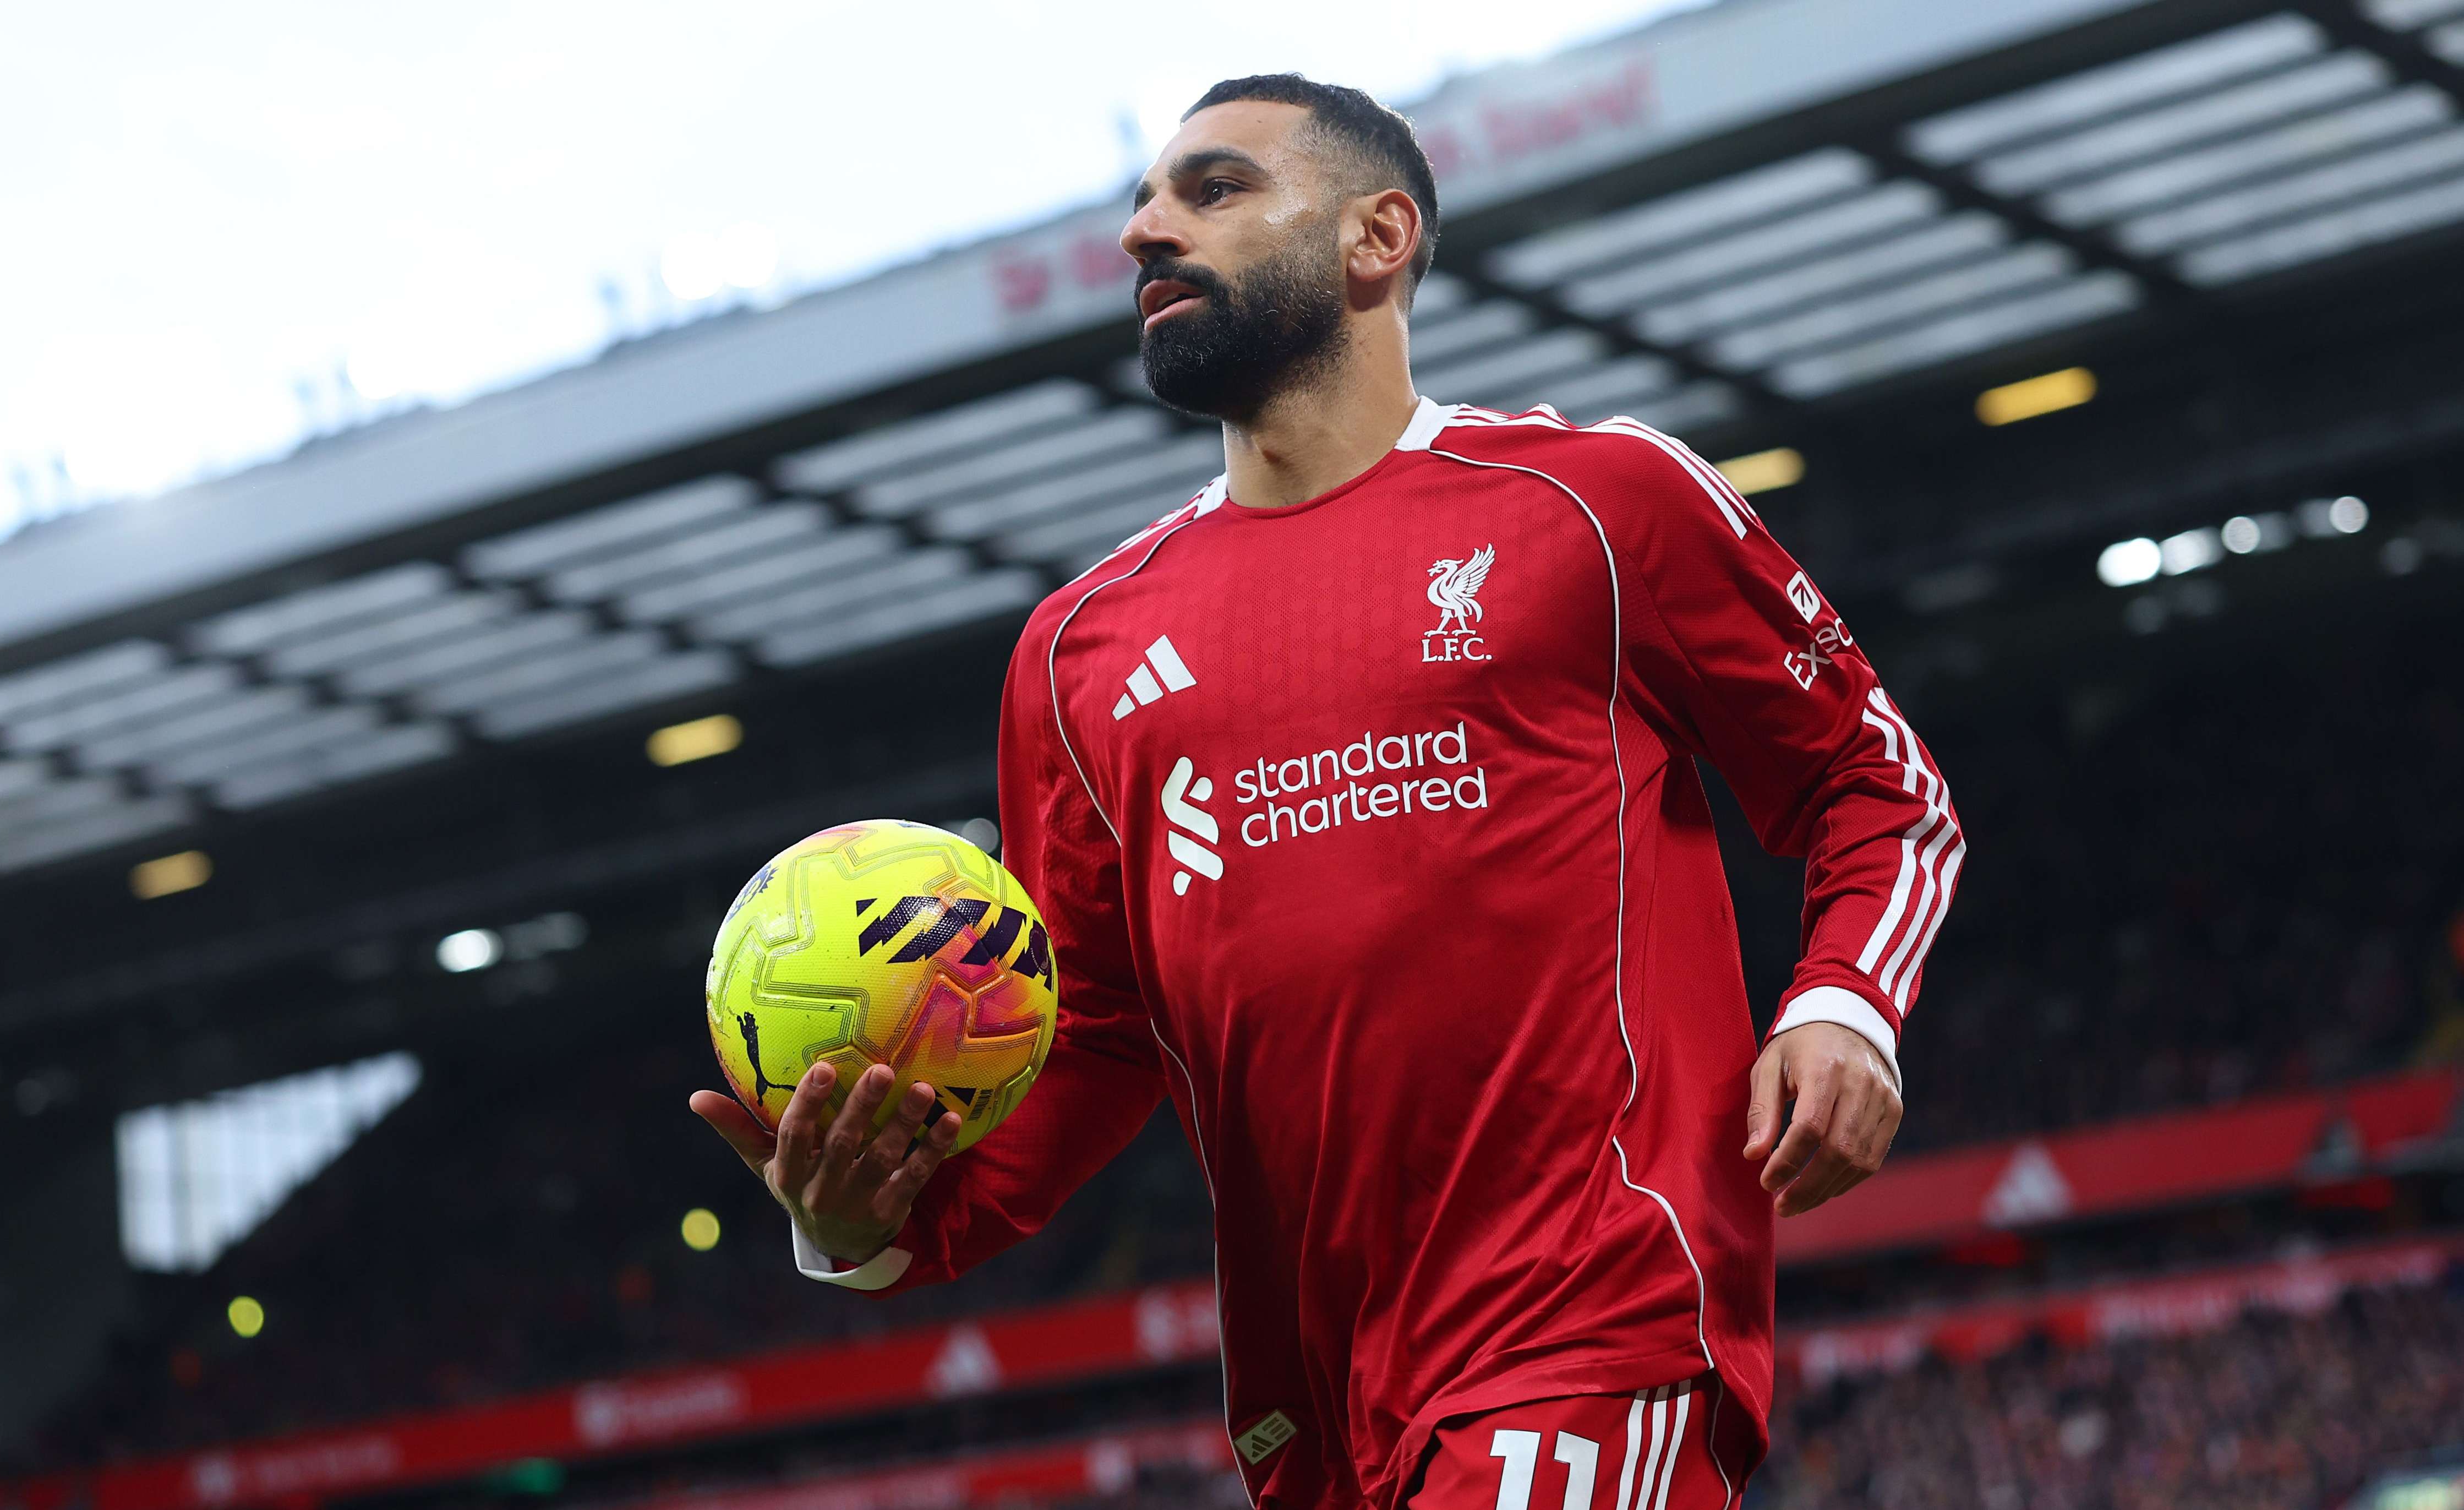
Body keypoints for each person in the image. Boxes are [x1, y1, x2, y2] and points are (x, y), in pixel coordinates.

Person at [693, 74, 1963, 1509]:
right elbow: (1092, 1033)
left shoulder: (1598, 505)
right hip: (1312, 1402)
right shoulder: (1077, 653)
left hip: (1590, 1319)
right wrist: (872, 1223)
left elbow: (1876, 785)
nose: (1146, 233)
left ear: (1378, 236)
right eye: (1142, 204)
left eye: (1213, 189)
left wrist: (1847, 1005)